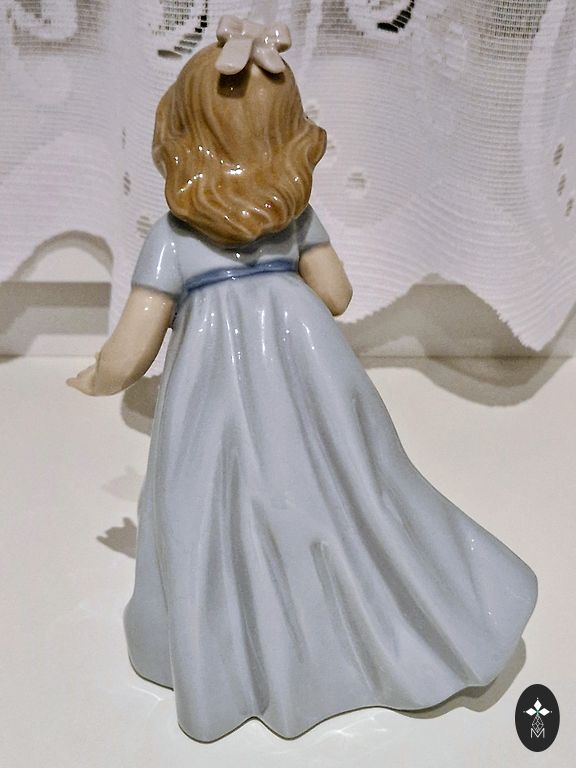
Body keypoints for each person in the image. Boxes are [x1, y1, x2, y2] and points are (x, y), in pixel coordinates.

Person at [67, 20, 537, 743]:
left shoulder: (174, 240)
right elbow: (338, 296)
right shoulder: (297, 222)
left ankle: (244, 653)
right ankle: (369, 630)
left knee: (215, 513)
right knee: (352, 498)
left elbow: (132, 351)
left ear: (181, 136)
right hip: (313, 383)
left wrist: (100, 377)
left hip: (216, 404)